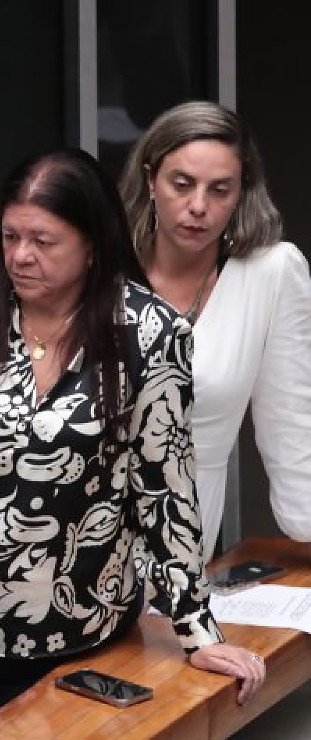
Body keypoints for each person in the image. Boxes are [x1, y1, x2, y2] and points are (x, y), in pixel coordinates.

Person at [0, 149, 266, 739]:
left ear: (91, 243)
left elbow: (166, 488)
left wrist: (195, 629)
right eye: (11, 236)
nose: (21, 256)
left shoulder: (148, 335)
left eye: (43, 241)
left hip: (72, 643)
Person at [119, 100, 311, 561]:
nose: (198, 206)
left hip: (183, 546)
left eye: (220, 189)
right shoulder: (100, 268)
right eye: (182, 184)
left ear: (242, 193)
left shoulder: (269, 273)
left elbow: (290, 420)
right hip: (66, 534)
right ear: (150, 180)